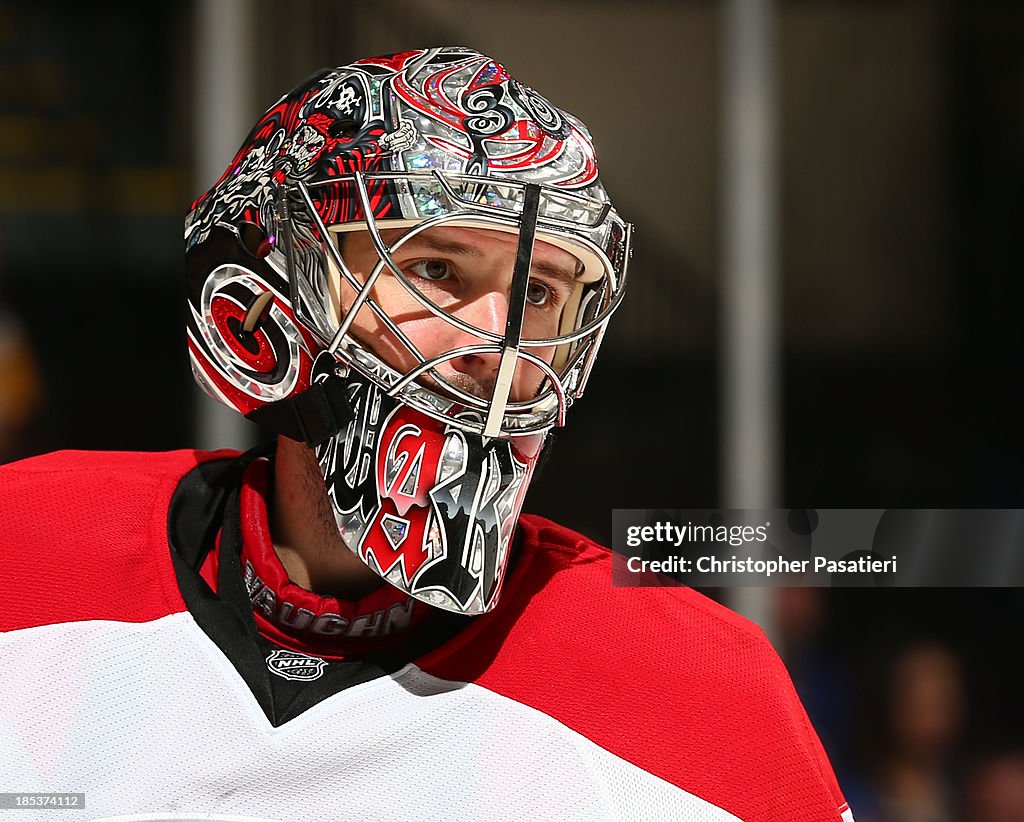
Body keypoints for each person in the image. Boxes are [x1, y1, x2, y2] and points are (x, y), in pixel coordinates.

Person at [0, 47, 854, 821]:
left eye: (538, 295)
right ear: (268, 300)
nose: (502, 347)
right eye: (437, 269)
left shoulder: (702, 702)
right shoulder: (28, 551)